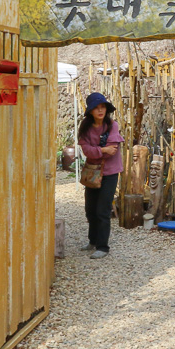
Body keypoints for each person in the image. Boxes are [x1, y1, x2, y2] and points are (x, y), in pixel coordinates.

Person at [77, 92, 124, 259]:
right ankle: (93, 240)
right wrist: (102, 149)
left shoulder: (112, 126)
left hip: (110, 173)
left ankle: (103, 247)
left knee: (102, 210)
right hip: (92, 172)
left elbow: (112, 151)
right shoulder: (85, 127)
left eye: (102, 107)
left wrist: (97, 151)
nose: (100, 110)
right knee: (90, 209)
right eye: (96, 108)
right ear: (90, 111)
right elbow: (86, 151)